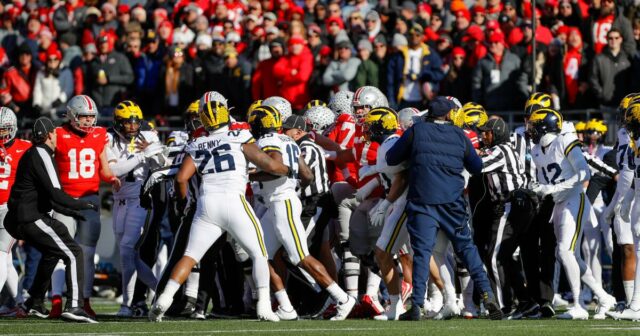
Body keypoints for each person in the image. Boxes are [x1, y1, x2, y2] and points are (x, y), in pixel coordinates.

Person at [149, 100, 290, 322]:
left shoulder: (198, 142)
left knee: (190, 256)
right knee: (259, 254)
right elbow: (269, 165)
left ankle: (163, 301)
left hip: (206, 204)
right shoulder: (240, 136)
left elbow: (181, 178)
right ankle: (264, 306)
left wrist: (184, 202)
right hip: (234, 200)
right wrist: (286, 170)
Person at [385, 96, 502, 320]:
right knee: (467, 249)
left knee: (422, 253)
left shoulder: (416, 131)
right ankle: (488, 297)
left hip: (423, 201)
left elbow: (392, 158)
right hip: (452, 201)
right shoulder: (459, 134)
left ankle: (417, 306)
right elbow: (476, 167)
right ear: (449, 114)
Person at [248, 104, 356, 320]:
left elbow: (277, 169)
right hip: (280, 202)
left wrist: (250, 176)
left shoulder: (268, 141)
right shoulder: (288, 141)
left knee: (299, 255)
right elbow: (306, 175)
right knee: (262, 255)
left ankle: (342, 298)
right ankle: (286, 306)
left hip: (282, 202)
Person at [5, 117, 97, 323]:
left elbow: (48, 197)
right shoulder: (41, 153)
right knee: (74, 252)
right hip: (29, 217)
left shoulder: (33, 154)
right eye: (54, 133)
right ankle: (74, 305)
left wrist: (71, 211)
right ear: (48, 135)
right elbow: (56, 193)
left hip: (19, 218)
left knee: (51, 253)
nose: (57, 136)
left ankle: (34, 302)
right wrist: (81, 204)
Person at [528, 108, 616, 319]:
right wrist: (538, 187)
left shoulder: (564, 140)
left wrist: (552, 189)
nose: (530, 130)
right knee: (571, 255)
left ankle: (579, 305)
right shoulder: (536, 150)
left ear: (545, 126)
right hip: (559, 203)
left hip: (575, 199)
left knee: (565, 252)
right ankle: (603, 297)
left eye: (534, 125)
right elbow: (546, 180)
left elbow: (584, 173)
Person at [48, 95, 120, 319]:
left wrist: (113, 179)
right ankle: (57, 300)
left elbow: (105, 170)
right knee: (62, 252)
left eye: (91, 117)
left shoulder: (100, 135)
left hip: (90, 200)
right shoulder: (57, 135)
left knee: (87, 254)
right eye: (83, 117)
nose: (88, 121)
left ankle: (84, 300)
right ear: (70, 115)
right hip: (64, 200)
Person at [107, 100, 163, 316]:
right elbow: (115, 170)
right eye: (128, 122)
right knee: (129, 256)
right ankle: (163, 291)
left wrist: (153, 151)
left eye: (136, 121)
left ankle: (127, 305)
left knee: (127, 250)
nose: (133, 126)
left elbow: (162, 163)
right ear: (118, 121)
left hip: (139, 199)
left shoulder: (148, 136)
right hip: (118, 200)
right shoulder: (108, 137)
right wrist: (142, 155)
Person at [0, 107, 31, 317]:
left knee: (0, 254)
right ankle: (18, 303)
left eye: (5, 130)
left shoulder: (25, 148)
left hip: (11, 209)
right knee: (7, 259)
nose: (2, 134)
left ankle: (19, 302)